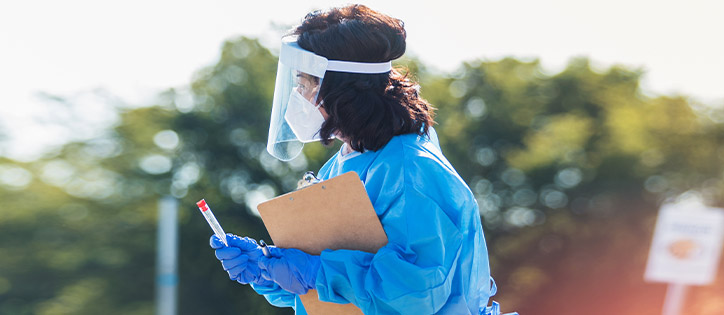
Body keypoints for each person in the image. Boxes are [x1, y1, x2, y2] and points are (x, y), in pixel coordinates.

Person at [210, 5, 513, 315]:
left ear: (341, 90)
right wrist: (268, 270)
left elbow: (416, 294)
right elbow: (332, 298)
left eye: (305, 84)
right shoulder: (341, 165)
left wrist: (315, 272)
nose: (297, 96)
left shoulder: (412, 170)